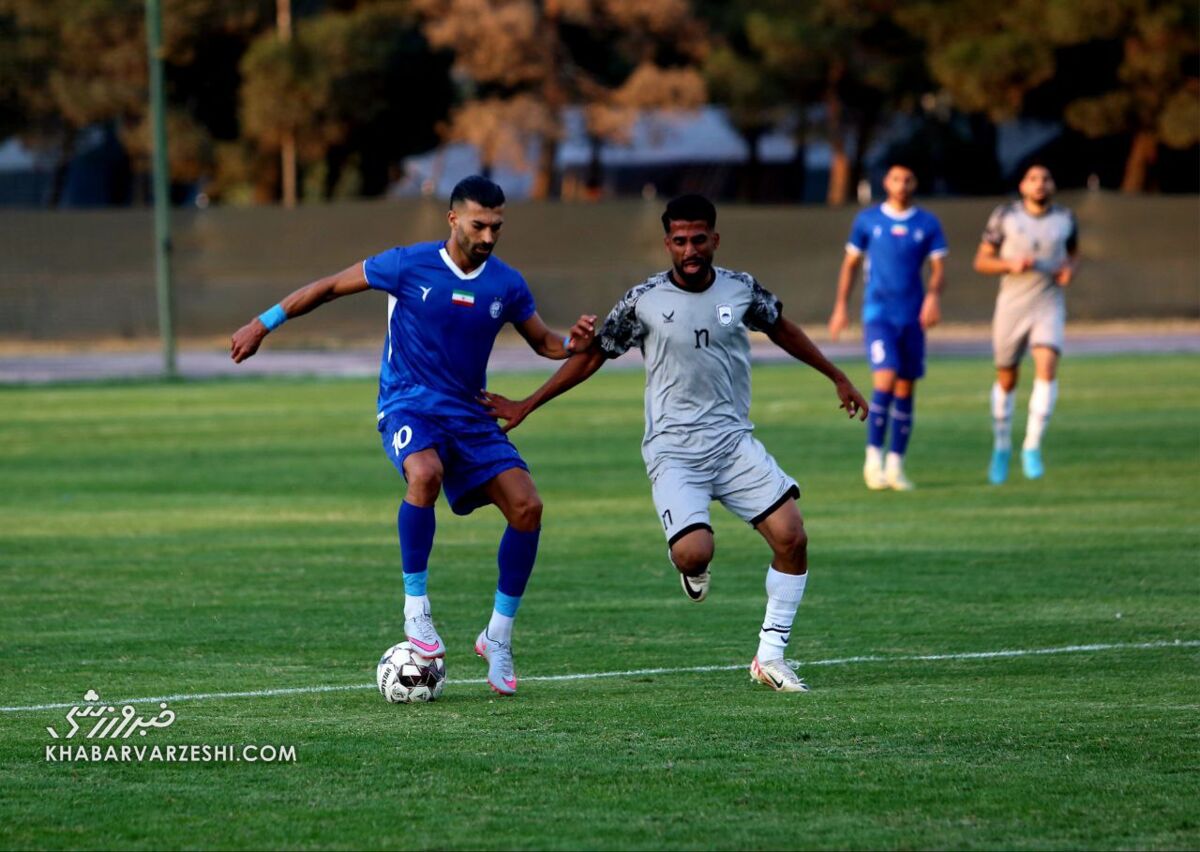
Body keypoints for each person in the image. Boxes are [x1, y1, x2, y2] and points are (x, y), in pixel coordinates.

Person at [481, 194, 868, 693]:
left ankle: (770, 655)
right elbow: (594, 354)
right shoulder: (644, 300)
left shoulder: (741, 289)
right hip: (673, 449)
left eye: (699, 239)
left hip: (733, 444)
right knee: (694, 553)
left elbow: (783, 329)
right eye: (680, 241)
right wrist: (527, 404)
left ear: (715, 239)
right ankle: (689, 559)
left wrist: (836, 376)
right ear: (667, 243)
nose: (690, 249)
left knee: (793, 537)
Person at [230, 176, 596, 696]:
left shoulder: (507, 284)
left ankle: (498, 635)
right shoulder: (407, 263)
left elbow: (545, 343)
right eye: (478, 225)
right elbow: (330, 286)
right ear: (453, 220)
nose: (489, 236)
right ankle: (416, 611)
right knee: (424, 472)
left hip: (470, 415)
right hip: (408, 403)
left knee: (528, 508)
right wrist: (261, 323)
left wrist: (569, 343)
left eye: (496, 226)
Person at [828, 162, 948, 491]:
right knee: (886, 379)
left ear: (914, 182)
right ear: (887, 182)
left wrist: (934, 297)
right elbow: (850, 264)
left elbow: (938, 268)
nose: (902, 184)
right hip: (878, 314)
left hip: (912, 317)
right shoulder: (868, 220)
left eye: (908, 179)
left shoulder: (927, 222)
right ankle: (873, 461)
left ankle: (896, 466)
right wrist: (841, 306)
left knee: (906, 389)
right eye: (896, 178)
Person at [974, 164, 1078, 484]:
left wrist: (1069, 269)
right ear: (1023, 186)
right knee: (1007, 378)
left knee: (1047, 366)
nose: (1040, 184)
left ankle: (1032, 447)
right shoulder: (1005, 216)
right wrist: (1009, 263)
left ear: (1052, 185)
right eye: (1033, 179)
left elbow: (1073, 253)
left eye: (1045, 178)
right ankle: (1002, 445)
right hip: (1012, 305)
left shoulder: (1065, 219)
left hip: (1048, 302)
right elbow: (981, 261)